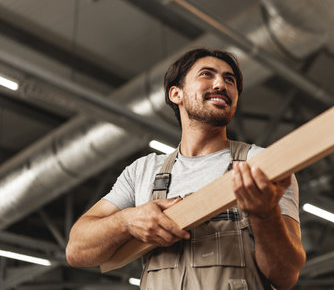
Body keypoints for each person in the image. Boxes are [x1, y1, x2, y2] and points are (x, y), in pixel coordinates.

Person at [66, 48, 306, 289]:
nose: (221, 84)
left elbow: (285, 276)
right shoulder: (144, 171)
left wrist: (265, 215)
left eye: (229, 79)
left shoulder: (261, 164)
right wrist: (127, 221)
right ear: (175, 94)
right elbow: (76, 250)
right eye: (206, 74)